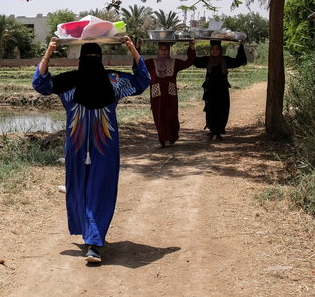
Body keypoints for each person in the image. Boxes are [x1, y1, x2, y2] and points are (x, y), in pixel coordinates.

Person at [32, 36, 150, 264]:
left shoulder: (102, 81)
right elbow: (40, 84)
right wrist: (48, 53)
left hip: (102, 149)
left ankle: (94, 243)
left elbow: (144, 80)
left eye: (93, 58)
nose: (91, 61)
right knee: (78, 189)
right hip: (82, 148)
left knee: (100, 190)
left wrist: (133, 49)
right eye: (90, 58)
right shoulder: (108, 82)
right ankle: (89, 234)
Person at [144, 40, 196, 147]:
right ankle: (164, 140)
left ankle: (172, 137)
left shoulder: (174, 63)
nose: (163, 52)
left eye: (166, 49)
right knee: (159, 116)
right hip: (156, 94)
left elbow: (188, 62)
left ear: (169, 50)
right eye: (161, 49)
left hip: (170, 94)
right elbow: (137, 65)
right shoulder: (150, 63)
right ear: (158, 50)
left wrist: (191, 48)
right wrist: (137, 47)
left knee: (171, 116)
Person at [193, 40, 247, 140]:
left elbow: (239, 61)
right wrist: (192, 47)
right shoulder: (207, 60)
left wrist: (241, 46)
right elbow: (194, 61)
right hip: (210, 91)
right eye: (213, 49)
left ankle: (218, 132)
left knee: (222, 110)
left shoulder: (225, 60)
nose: (215, 51)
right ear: (210, 50)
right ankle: (212, 130)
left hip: (222, 90)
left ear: (220, 50)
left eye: (217, 49)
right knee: (210, 110)